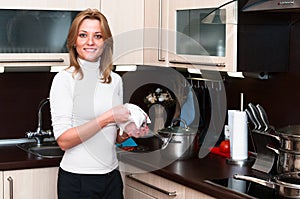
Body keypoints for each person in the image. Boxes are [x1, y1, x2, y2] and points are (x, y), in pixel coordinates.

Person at [49, 8, 147, 199]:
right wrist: (107, 117)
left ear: (106, 43)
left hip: (111, 178)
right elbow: (63, 141)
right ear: (74, 41)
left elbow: (112, 135)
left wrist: (127, 133)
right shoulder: (65, 80)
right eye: (83, 35)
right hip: (77, 181)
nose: (90, 42)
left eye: (98, 36)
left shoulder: (115, 80)